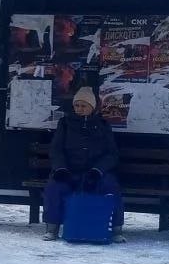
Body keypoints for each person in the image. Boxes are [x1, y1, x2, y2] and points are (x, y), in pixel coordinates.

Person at [43, 86, 124, 242]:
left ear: (92, 107)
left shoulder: (102, 125)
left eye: (83, 106)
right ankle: (52, 228)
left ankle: (116, 230)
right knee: (54, 187)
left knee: (111, 186)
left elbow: (112, 154)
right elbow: (56, 150)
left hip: (95, 172)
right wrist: (60, 169)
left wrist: (98, 170)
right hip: (69, 171)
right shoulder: (65, 123)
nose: (79, 109)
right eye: (76, 105)